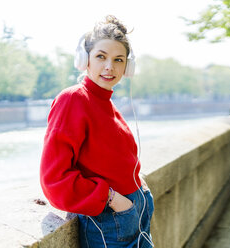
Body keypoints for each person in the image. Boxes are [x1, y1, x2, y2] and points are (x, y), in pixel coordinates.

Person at [40, 15, 154, 248]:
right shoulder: (73, 99)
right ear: (85, 60)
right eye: (101, 56)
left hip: (135, 211)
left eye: (119, 60)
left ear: (127, 67)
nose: (110, 67)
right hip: (111, 220)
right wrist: (112, 198)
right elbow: (54, 178)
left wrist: (136, 186)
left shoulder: (106, 102)